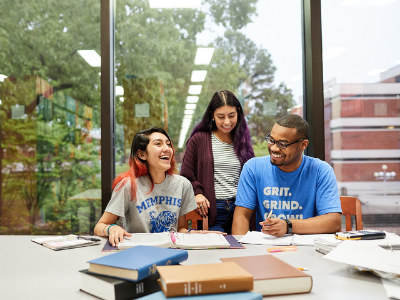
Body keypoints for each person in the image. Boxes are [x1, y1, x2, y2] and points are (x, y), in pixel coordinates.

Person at [232, 114, 342, 236]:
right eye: (272, 140)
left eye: (282, 144)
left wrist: (288, 225)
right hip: (266, 247)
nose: (274, 148)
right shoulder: (253, 168)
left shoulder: (321, 171)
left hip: (307, 247)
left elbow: (334, 221)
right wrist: (240, 249)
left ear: (303, 145)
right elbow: (241, 215)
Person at [94, 127, 197, 246]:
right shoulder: (128, 185)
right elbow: (99, 227)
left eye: (168, 144)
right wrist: (112, 229)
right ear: (142, 154)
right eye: (158, 144)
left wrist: (193, 233)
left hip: (171, 251)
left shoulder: (182, 184)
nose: (167, 149)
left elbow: (180, 230)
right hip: (138, 252)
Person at [180, 90, 255, 234]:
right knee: (215, 251)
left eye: (231, 116)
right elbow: (186, 175)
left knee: (241, 251)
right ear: (212, 115)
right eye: (221, 117)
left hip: (240, 208)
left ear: (238, 113)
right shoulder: (199, 139)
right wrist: (197, 193)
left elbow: (250, 175)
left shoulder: (242, 141)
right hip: (212, 210)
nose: (227, 122)